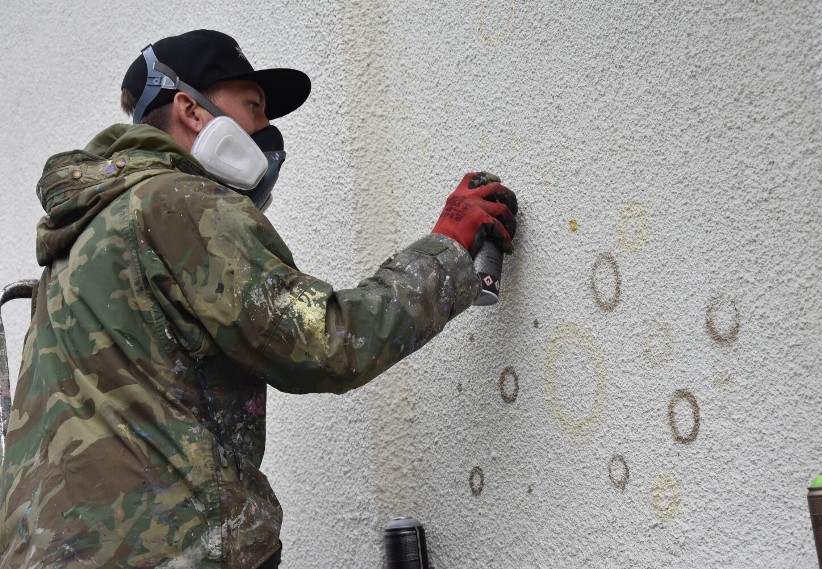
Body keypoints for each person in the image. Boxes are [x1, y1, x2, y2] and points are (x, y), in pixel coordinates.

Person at [0, 29, 517, 568]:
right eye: (253, 106)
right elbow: (326, 344)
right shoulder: (175, 202)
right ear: (191, 110)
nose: (268, 131)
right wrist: (449, 251)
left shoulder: (82, 240)